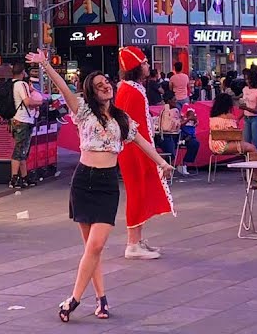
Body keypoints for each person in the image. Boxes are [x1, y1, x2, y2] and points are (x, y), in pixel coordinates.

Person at [30, 50, 173, 323]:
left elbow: (141, 141)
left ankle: (73, 299)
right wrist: (45, 65)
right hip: (84, 181)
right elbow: (63, 87)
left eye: (106, 82)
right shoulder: (83, 112)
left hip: (108, 184)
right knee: (91, 249)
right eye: (98, 86)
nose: (106, 86)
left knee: (95, 246)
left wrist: (162, 164)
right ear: (92, 93)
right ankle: (101, 299)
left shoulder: (122, 119)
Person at [114, 46, 175, 261]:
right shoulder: (130, 90)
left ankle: (137, 240)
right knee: (137, 193)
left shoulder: (131, 88)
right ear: (136, 67)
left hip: (137, 148)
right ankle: (132, 243)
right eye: (145, 62)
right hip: (134, 150)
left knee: (140, 192)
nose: (148, 65)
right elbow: (130, 127)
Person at [10, 63, 41, 189]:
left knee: (22, 150)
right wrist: (40, 102)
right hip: (23, 120)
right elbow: (28, 102)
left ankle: (24, 177)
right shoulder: (21, 84)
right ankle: (14, 179)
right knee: (19, 150)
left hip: (17, 120)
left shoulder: (12, 84)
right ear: (23, 72)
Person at [155, 91, 199, 176]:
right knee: (170, 151)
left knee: (194, 143)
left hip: (179, 136)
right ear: (169, 101)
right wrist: (187, 119)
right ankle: (164, 168)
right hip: (167, 136)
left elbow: (180, 123)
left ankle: (183, 164)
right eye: (174, 100)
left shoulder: (178, 110)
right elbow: (170, 126)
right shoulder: (165, 112)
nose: (176, 101)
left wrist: (190, 120)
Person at [209, 91, 257, 157]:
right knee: (252, 148)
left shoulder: (213, 117)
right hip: (224, 146)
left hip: (214, 146)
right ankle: (253, 167)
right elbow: (234, 135)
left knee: (246, 146)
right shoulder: (229, 117)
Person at [239, 71, 257, 151]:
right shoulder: (245, 89)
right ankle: (248, 159)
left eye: (248, 79)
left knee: (255, 142)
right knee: (247, 141)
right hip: (246, 117)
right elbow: (244, 104)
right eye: (246, 79)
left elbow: (256, 110)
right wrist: (239, 117)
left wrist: (245, 108)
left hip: (256, 118)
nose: (247, 81)